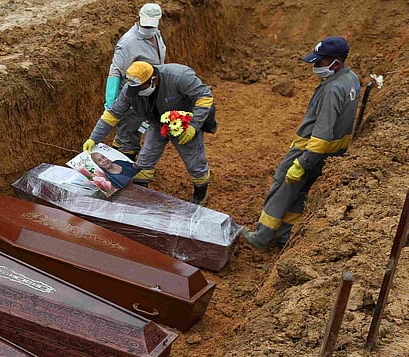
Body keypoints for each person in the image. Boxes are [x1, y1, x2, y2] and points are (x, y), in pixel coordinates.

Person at [243, 36, 361, 252]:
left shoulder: (332, 90)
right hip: (333, 153)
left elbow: (322, 135)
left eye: (319, 62)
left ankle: (261, 237)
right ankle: (285, 235)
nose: (315, 66)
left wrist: (302, 163)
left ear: (335, 63)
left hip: (309, 151)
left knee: (282, 188)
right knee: (300, 193)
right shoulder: (351, 79)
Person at [83, 61, 217, 204]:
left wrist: (193, 125)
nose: (138, 93)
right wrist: (94, 138)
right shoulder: (131, 89)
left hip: (183, 123)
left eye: (141, 89)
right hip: (156, 123)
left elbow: (204, 97)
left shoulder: (179, 76)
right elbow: (113, 114)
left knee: (194, 162)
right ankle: (140, 195)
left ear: (153, 80)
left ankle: (201, 193)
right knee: (144, 161)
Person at [98, 3, 167, 160]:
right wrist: (111, 102)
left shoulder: (156, 34)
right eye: (146, 25)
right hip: (133, 94)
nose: (148, 29)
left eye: (152, 25)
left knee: (136, 130)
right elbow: (115, 70)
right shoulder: (128, 42)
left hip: (149, 90)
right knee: (128, 135)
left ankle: (124, 160)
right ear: (138, 19)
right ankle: (120, 168)